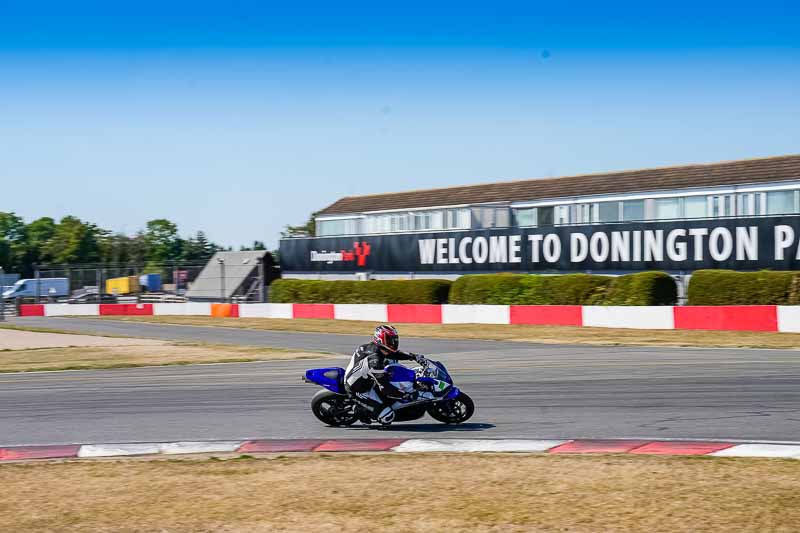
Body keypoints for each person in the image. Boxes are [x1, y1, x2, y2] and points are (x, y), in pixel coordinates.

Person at [344, 324, 427, 425]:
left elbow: (393, 354)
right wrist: (405, 395)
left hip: (365, 378)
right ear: (381, 339)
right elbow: (386, 388)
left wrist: (414, 357)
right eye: (390, 340)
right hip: (358, 389)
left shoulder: (376, 348)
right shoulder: (375, 361)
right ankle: (360, 410)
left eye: (395, 339)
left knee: (392, 363)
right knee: (387, 417)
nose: (394, 342)